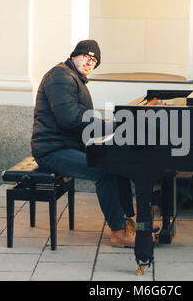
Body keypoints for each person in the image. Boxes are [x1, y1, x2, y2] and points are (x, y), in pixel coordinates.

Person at [31, 40, 136, 247]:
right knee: (104, 171)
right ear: (74, 56)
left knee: (118, 163)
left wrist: (108, 125)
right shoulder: (60, 76)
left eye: (94, 61)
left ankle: (128, 222)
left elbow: (79, 117)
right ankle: (118, 233)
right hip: (51, 150)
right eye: (86, 57)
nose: (90, 62)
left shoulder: (73, 78)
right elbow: (69, 118)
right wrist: (112, 126)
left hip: (67, 146)